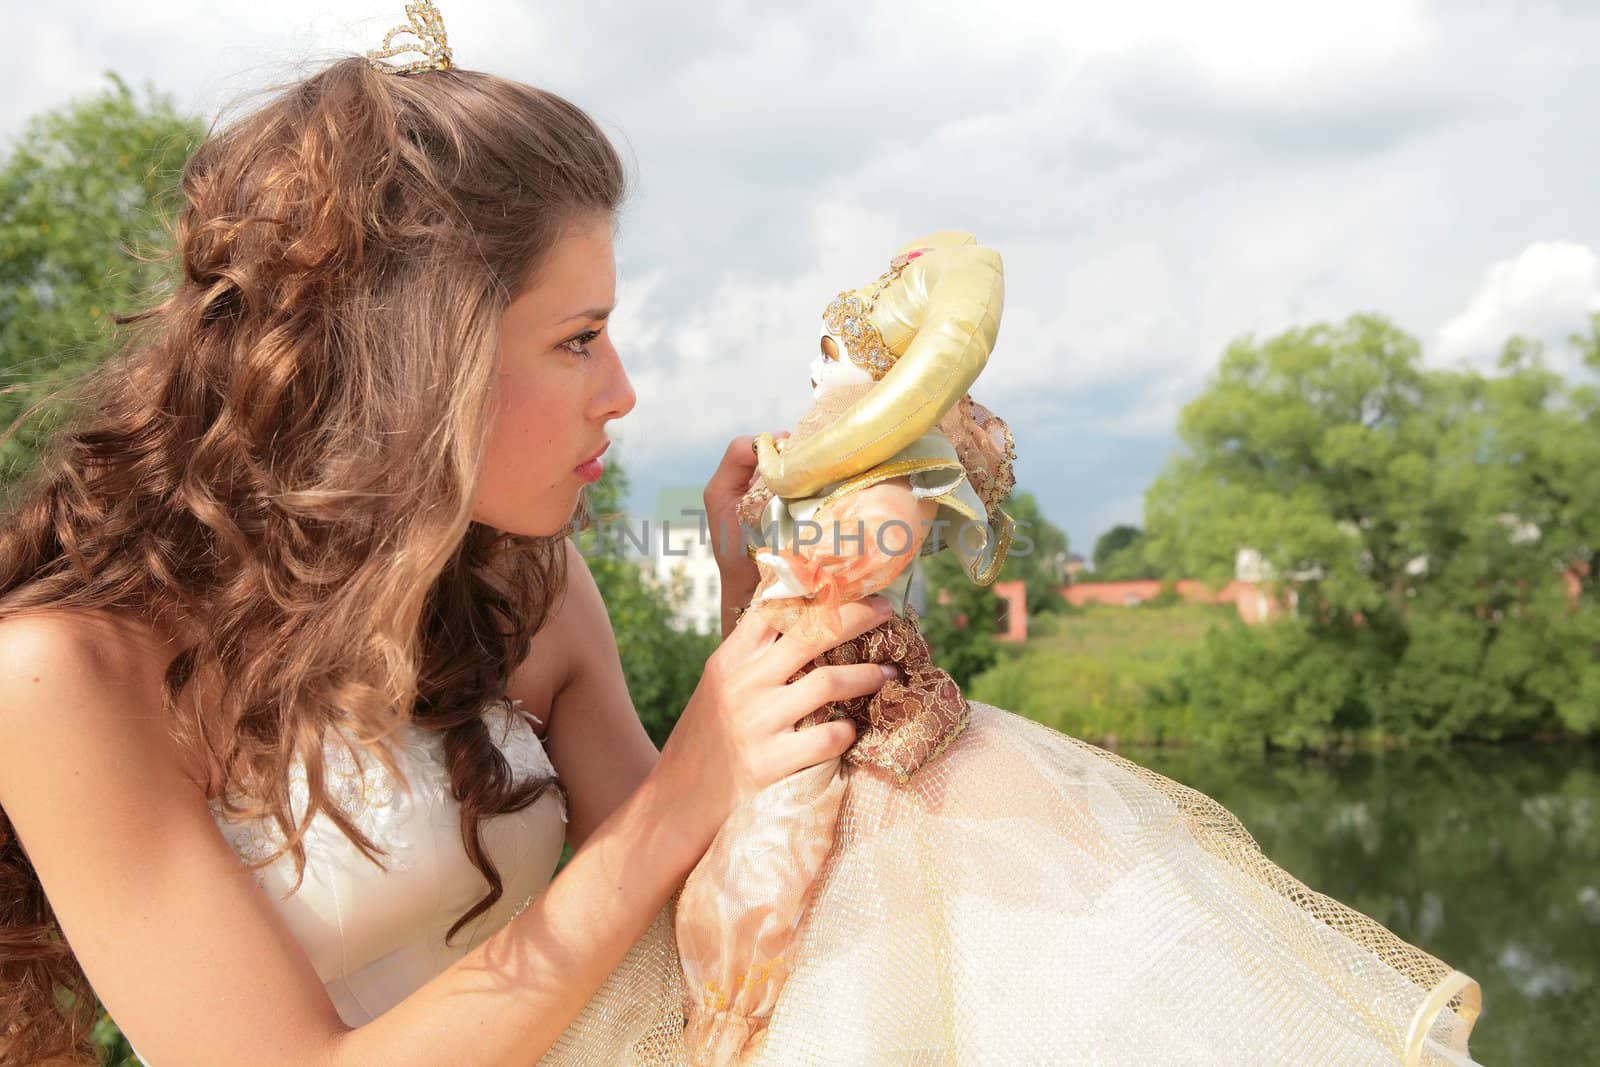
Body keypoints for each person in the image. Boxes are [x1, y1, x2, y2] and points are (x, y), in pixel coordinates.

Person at [0, 8, 895, 1065]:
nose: (621, 393)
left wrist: (769, 615)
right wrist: (677, 794)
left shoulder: (535, 585)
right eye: (580, 340)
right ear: (419, 356)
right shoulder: (63, 674)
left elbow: (717, 935)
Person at [538, 233, 1487, 1067]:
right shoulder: (817, 479)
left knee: (839, 954)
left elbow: (852, 568)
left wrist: (781, 536)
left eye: (831, 367)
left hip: (870, 752)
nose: (814, 389)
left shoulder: (888, 481)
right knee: (765, 929)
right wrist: (744, 556)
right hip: (799, 733)